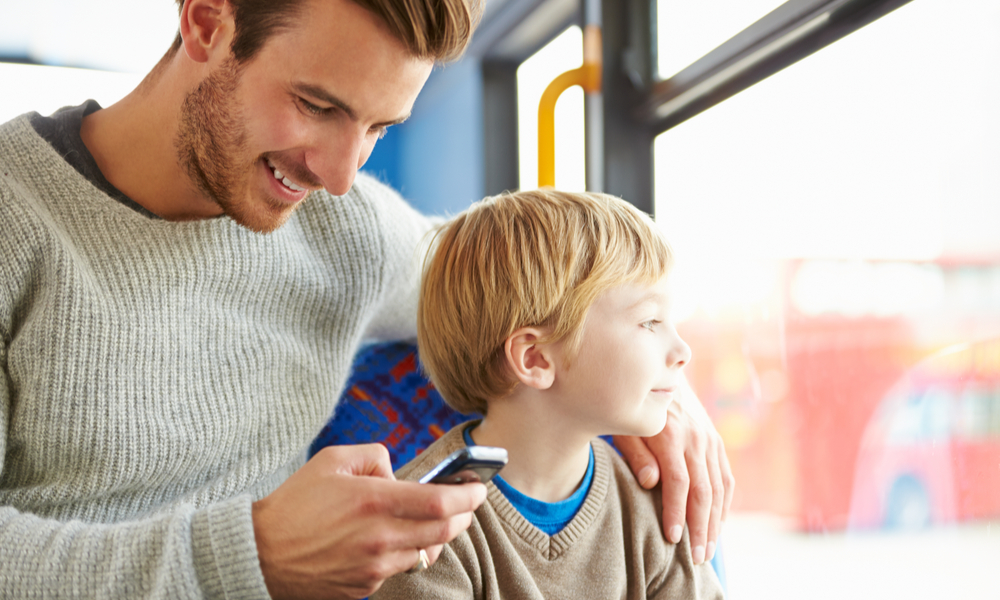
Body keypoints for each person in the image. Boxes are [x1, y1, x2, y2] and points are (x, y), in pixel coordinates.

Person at [0, 0, 732, 597]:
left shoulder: (343, 228)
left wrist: (660, 381)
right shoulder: (15, 220)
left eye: (379, 127)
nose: (342, 174)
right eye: (317, 105)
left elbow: (530, 289)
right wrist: (249, 552)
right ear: (205, 21)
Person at [370, 189, 724, 599]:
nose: (683, 352)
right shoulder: (429, 522)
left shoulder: (648, 504)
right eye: (649, 322)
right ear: (535, 359)